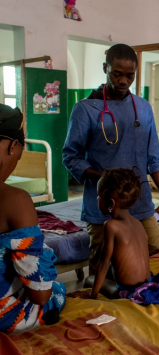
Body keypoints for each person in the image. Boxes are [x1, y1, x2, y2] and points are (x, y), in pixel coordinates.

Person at [63, 44, 159, 274]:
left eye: (130, 75)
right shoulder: (86, 109)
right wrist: (105, 178)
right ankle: (100, 308)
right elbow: (70, 156)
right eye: (117, 74)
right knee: (103, 266)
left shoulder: (143, 108)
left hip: (140, 203)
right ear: (105, 68)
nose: (124, 81)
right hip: (103, 205)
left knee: (158, 256)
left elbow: (153, 158)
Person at [0, 104, 66, 333]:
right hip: (5, 317)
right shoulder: (15, 201)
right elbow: (39, 294)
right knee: (56, 291)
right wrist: (42, 253)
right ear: (13, 147)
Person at [68, 168, 151, 300]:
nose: (97, 198)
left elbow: (104, 264)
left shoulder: (111, 225)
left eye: (99, 196)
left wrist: (92, 295)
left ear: (111, 203)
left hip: (128, 292)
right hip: (148, 285)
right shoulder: (138, 223)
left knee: (90, 280)